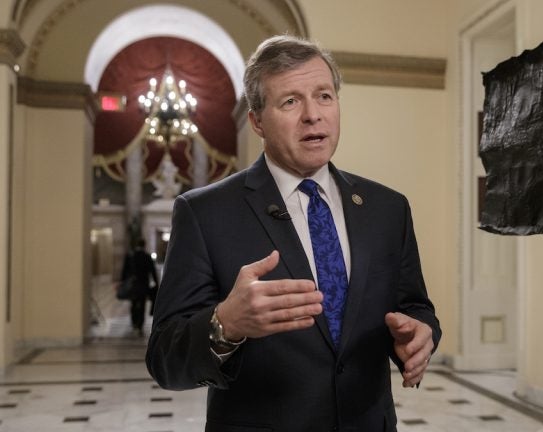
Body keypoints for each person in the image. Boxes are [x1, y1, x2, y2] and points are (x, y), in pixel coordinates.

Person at [145, 35, 441, 431]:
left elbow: (415, 307)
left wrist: (419, 337)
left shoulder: (387, 208)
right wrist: (225, 324)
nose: (313, 115)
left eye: (324, 96)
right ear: (257, 121)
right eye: (290, 101)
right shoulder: (204, 213)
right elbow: (166, 359)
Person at [120, 238, 158, 337]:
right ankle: (140, 325)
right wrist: (156, 283)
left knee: (133, 303)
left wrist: (122, 282)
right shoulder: (147, 256)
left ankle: (134, 323)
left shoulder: (130, 256)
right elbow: (152, 272)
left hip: (133, 284)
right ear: (144, 245)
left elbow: (124, 271)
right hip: (143, 284)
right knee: (142, 304)